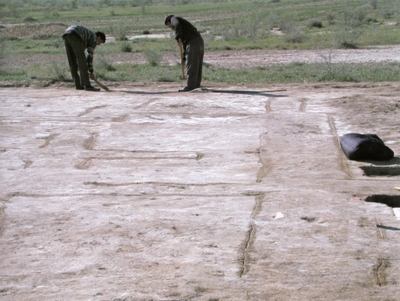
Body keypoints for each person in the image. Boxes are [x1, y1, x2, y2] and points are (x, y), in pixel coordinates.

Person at [165, 15, 204, 92]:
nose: (171, 28)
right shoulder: (184, 29)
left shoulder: (173, 19)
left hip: (193, 42)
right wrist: (183, 58)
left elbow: (177, 25)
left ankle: (190, 86)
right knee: (197, 64)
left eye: (169, 26)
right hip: (199, 41)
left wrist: (177, 38)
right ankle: (196, 85)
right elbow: (186, 45)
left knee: (192, 64)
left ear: (169, 22)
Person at [62, 25, 106, 91]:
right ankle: (87, 85)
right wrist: (91, 71)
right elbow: (89, 57)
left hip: (66, 35)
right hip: (75, 34)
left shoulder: (86, 39)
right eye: (101, 42)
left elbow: (79, 55)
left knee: (72, 61)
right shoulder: (94, 37)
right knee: (82, 62)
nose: (99, 44)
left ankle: (78, 85)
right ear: (99, 37)